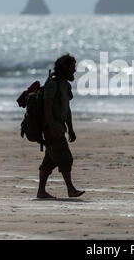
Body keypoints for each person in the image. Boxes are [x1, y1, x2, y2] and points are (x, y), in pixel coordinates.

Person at [37, 54, 84, 199]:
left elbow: (67, 108)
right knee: (65, 159)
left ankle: (41, 192)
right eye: (72, 68)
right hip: (51, 128)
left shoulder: (65, 85)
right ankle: (71, 189)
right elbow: (47, 107)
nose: (74, 71)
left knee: (49, 161)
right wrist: (52, 128)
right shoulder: (53, 84)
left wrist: (70, 128)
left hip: (59, 127)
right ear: (64, 68)